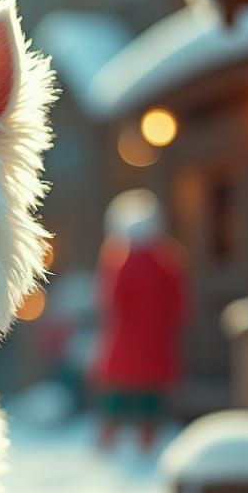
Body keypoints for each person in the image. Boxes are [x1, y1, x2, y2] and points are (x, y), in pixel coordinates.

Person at [92, 190, 188, 450]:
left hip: (123, 345)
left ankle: (105, 447)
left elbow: (112, 304)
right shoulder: (169, 260)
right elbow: (180, 307)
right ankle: (146, 447)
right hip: (156, 346)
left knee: (114, 401)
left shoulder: (119, 261)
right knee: (150, 404)